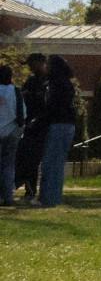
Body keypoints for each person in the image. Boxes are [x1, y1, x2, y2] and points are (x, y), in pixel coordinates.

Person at [34, 55, 77, 207]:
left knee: (50, 163)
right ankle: (53, 197)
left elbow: (52, 107)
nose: (45, 67)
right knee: (57, 163)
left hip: (58, 124)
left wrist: (39, 120)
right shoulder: (67, 83)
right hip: (68, 125)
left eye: (48, 65)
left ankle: (48, 198)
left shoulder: (56, 84)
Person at [16, 53, 46, 204]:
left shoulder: (47, 82)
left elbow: (47, 107)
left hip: (42, 127)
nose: (30, 67)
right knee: (26, 159)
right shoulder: (31, 82)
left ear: (40, 62)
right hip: (29, 127)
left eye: (32, 64)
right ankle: (27, 189)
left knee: (34, 161)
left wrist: (38, 119)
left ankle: (34, 192)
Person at [0, 64, 19, 206]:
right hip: (12, 132)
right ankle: (8, 196)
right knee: (9, 165)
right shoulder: (16, 91)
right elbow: (22, 113)